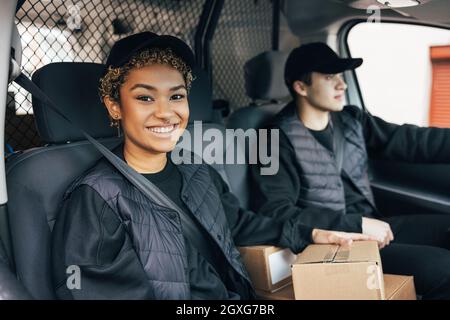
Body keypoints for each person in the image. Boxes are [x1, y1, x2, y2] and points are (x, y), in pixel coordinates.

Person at [51, 33, 371, 300]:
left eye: (176, 96)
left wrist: (311, 233)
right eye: (145, 98)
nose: (166, 113)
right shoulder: (96, 199)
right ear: (115, 106)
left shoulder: (196, 171)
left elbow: (238, 223)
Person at [250, 42, 450, 299]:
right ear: (301, 87)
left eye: (341, 77)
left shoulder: (351, 120)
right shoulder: (269, 139)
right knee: (443, 268)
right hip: (332, 243)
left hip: (375, 226)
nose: (342, 85)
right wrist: (356, 224)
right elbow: (274, 210)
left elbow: (411, 140)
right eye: (330, 77)